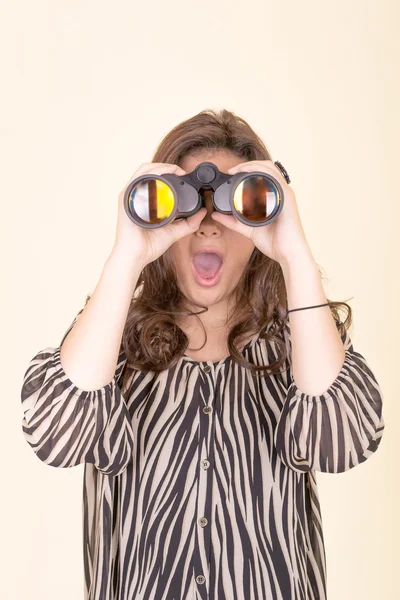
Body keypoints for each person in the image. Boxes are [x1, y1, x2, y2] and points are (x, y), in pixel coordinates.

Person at [20, 108, 385, 600]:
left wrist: (294, 251)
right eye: (190, 204)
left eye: (237, 205)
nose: (209, 226)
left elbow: (342, 440)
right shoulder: (116, 346)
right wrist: (129, 252)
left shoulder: (296, 345)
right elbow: (54, 433)